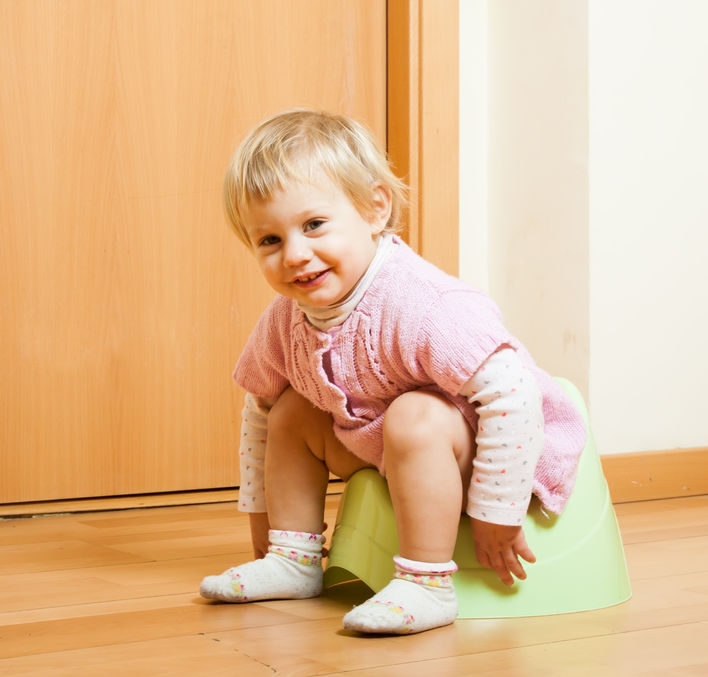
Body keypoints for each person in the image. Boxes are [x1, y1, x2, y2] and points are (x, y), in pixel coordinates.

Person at [200, 109, 587, 634]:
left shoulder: (425, 305)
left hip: (497, 448)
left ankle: (426, 583)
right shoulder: (285, 321)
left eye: (314, 225)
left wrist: (500, 512)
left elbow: (513, 396)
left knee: (415, 415)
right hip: (386, 446)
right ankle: (294, 561)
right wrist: (266, 529)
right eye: (269, 241)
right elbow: (260, 417)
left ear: (375, 208)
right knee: (290, 408)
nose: (294, 255)